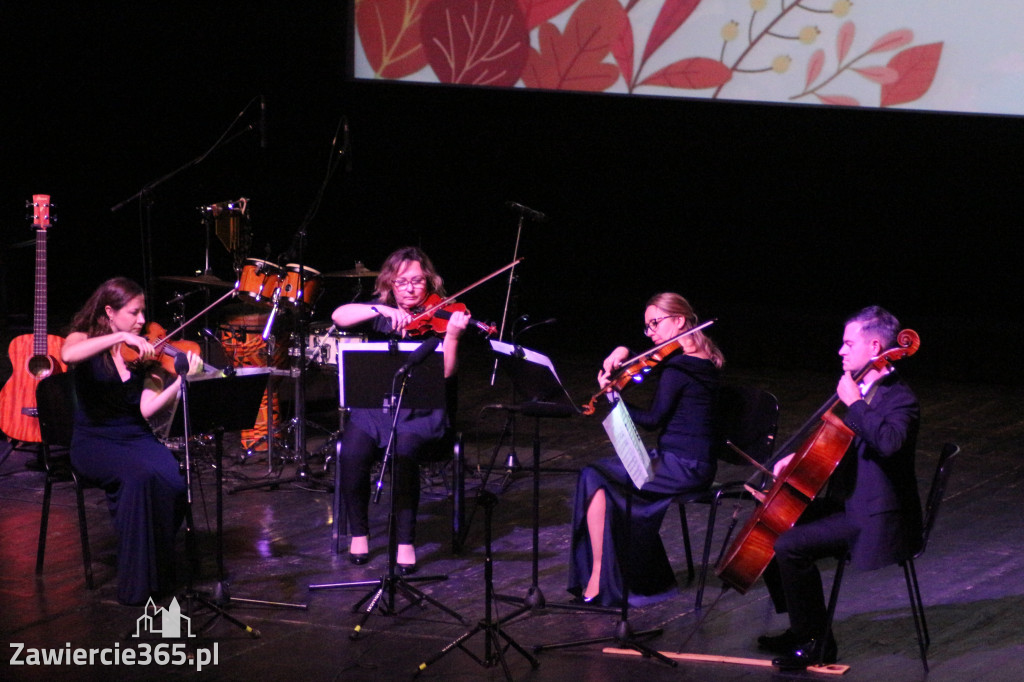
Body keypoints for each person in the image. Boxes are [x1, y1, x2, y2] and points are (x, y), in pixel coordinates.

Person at [757, 305, 922, 669]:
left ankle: (818, 644)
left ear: (875, 346)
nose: (840, 351)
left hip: (875, 515)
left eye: (848, 343)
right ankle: (802, 626)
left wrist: (855, 402)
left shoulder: (898, 397)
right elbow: (841, 448)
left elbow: (889, 443)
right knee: (773, 522)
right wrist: (797, 461)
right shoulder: (864, 389)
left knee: (790, 546)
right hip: (851, 502)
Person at [567, 293, 724, 607]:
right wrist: (624, 351)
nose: (651, 333)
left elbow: (652, 420)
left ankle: (600, 576)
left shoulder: (681, 368)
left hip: (684, 467)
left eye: (655, 323)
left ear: (679, 320)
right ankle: (620, 575)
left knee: (594, 475)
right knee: (601, 478)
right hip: (686, 462)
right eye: (647, 327)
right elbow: (649, 360)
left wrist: (614, 397)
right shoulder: (696, 357)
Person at [60, 277, 205, 606]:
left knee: (172, 481)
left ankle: (159, 567)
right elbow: (69, 355)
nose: (142, 321)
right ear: (109, 311)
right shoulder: (82, 339)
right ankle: (137, 584)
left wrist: (180, 384)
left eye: (143, 313)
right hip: (94, 440)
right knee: (137, 478)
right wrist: (119, 336)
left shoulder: (145, 354)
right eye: (134, 313)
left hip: (135, 436)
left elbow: (147, 408)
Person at [331, 246, 469, 573]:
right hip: (376, 410)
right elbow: (339, 315)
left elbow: (446, 373)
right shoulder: (380, 312)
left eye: (417, 281)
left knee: (404, 453)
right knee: (351, 452)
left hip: (423, 413)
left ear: (429, 283)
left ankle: (406, 541)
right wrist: (379, 312)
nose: (409, 289)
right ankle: (360, 533)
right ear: (390, 284)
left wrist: (451, 336)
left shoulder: (443, 315)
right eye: (401, 282)